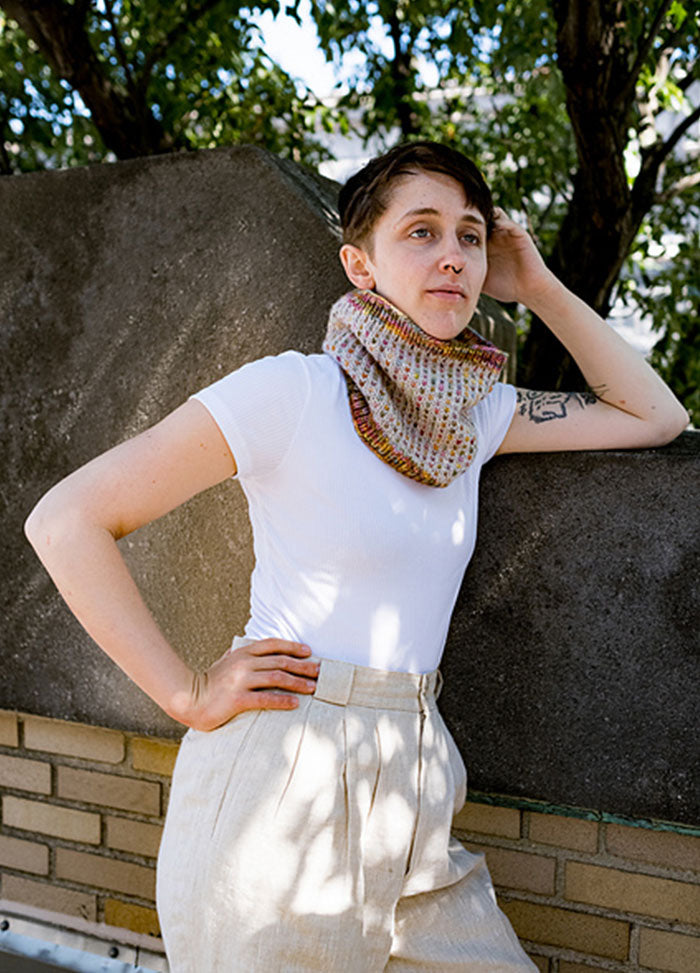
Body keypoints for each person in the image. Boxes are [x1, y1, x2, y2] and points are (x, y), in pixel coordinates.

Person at [25, 141, 688, 972]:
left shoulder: (474, 417)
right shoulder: (294, 391)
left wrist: (539, 284)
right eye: (421, 231)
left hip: (416, 772)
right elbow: (66, 520)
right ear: (359, 264)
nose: (453, 255)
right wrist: (186, 691)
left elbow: (654, 415)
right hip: (282, 781)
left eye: (470, 236)